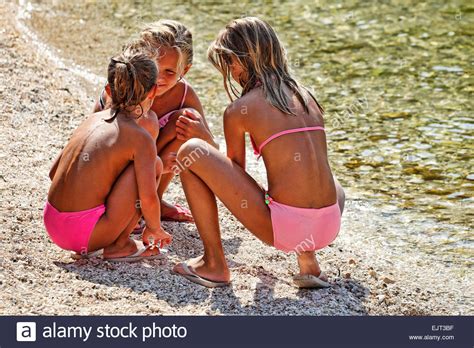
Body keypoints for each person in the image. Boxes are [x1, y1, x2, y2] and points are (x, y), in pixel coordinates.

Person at [172, 17, 345, 288]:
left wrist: (205, 140)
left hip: (286, 229)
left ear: (242, 59)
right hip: (329, 223)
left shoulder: (240, 109)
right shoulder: (308, 97)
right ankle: (308, 261)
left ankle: (214, 263)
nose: (229, 71)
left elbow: (233, 175)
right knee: (321, 178)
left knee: (190, 152)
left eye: (229, 63)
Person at [45, 48, 172, 262]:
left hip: (52, 223)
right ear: (152, 92)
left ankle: (99, 235)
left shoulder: (91, 120)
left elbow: (53, 172)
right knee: (156, 165)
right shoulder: (140, 138)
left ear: (108, 91)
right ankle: (119, 245)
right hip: (84, 234)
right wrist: (154, 229)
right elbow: (149, 198)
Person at [94, 20, 218, 223]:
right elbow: (100, 141)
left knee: (186, 121)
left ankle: (154, 200)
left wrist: (201, 134)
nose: (158, 77)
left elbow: (212, 150)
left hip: (147, 166)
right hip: (113, 170)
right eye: (153, 66)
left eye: (170, 72)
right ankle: (124, 205)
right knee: (142, 121)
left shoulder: (184, 94)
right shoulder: (125, 86)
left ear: (184, 71)